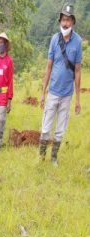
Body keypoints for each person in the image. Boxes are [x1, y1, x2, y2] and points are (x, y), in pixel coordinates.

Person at [39, 3, 82, 166]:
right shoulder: (54, 40)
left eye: (69, 20)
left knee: (60, 130)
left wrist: (77, 99)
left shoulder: (77, 42)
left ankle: (54, 158)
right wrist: (43, 93)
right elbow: (48, 66)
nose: (65, 23)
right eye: (63, 19)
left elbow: (77, 71)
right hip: (53, 92)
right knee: (45, 128)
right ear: (60, 21)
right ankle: (41, 157)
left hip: (67, 94)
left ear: (72, 22)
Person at [0, 32, 14, 150]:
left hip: (4, 96)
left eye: (2, 43)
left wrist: (9, 100)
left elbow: (10, 81)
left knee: (1, 121)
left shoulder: (9, 61)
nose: (0, 45)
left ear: (5, 45)